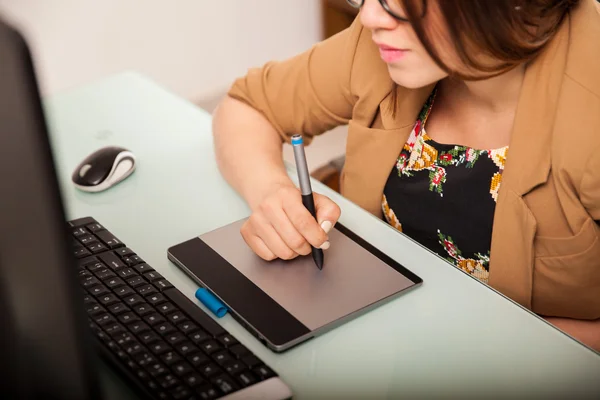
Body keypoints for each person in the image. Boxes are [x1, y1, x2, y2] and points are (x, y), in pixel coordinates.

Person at [212, 0, 600, 350]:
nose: (369, 17)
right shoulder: (377, 45)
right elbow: (249, 106)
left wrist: (495, 340)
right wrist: (270, 190)